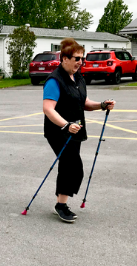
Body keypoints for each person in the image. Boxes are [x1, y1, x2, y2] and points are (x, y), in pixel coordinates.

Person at [43, 38, 115, 222]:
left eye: (82, 58)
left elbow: (84, 103)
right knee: (73, 166)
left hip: (75, 129)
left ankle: (60, 202)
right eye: (76, 58)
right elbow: (48, 109)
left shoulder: (78, 77)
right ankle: (61, 205)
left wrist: (101, 105)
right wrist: (65, 125)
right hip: (58, 131)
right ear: (64, 58)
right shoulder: (54, 80)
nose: (80, 62)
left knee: (69, 165)